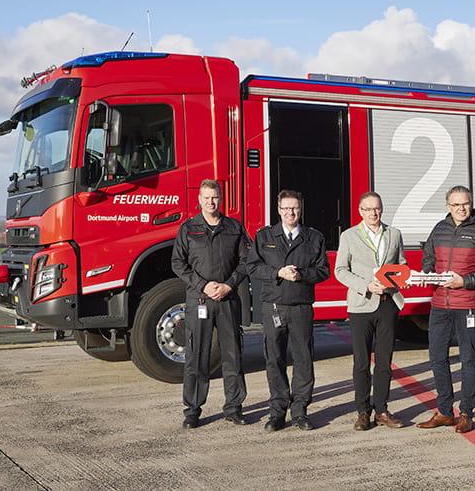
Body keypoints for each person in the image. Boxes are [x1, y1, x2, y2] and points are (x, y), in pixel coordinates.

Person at [417, 185, 475, 434]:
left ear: (471, 203)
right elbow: (428, 255)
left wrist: (465, 281)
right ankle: (445, 411)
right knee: (437, 358)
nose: (461, 208)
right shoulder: (440, 228)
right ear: (448, 206)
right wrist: (427, 271)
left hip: (467, 305)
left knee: (468, 360)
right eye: (456, 205)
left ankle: (466, 413)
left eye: (465, 204)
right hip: (439, 305)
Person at [247, 190, 330, 432]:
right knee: (274, 360)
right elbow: (252, 266)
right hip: (273, 305)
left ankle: (300, 411)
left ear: (300, 209)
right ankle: (277, 412)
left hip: (301, 307)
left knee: (303, 360)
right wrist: (277, 273)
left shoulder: (313, 237)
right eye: (285, 208)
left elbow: (323, 270)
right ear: (278, 210)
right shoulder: (264, 236)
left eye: (294, 208)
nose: (290, 213)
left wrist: (301, 275)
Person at [171, 179, 250, 429]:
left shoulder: (234, 228)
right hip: (200, 299)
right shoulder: (188, 228)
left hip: (227, 299)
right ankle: (193, 409)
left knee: (233, 354)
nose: (211, 202)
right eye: (206, 198)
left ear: (221, 198)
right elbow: (178, 263)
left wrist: (229, 284)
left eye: (214, 197)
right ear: (199, 200)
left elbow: (246, 261)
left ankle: (234, 407)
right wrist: (203, 285)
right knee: (197, 356)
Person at [335, 191, 408, 430]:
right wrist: (366, 285)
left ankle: (382, 410)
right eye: (368, 209)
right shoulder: (349, 236)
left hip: (387, 304)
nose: (373, 213)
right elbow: (340, 270)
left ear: (382, 209)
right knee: (361, 363)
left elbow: (402, 265)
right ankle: (363, 412)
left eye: (377, 209)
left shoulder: (394, 234)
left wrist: (392, 282)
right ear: (360, 211)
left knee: (385, 361)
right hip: (361, 305)